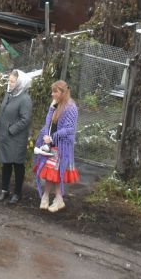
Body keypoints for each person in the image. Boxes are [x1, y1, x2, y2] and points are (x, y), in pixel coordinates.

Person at [32, 80, 80, 212]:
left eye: (55, 92)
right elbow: (48, 122)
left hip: (61, 146)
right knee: (50, 171)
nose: (52, 94)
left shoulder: (71, 107)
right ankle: (49, 197)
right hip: (50, 144)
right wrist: (51, 108)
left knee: (55, 172)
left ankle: (55, 198)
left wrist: (53, 137)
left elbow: (69, 129)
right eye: (52, 91)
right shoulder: (56, 104)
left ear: (63, 92)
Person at [0, 69, 33, 204]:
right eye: (9, 80)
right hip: (6, 136)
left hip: (16, 139)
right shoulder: (9, 94)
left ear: (20, 83)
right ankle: (5, 190)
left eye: (12, 81)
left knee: (17, 165)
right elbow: (3, 111)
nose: (9, 83)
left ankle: (17, 193)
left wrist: (11, 130)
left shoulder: (25, 99)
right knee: (6, 163)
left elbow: (25, 119)